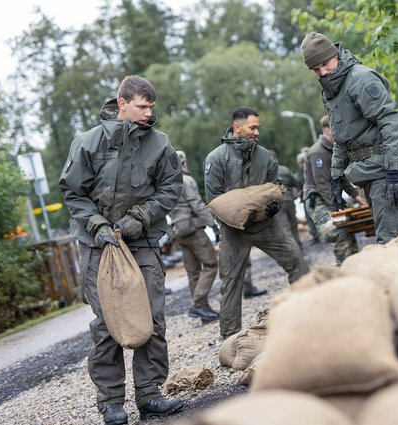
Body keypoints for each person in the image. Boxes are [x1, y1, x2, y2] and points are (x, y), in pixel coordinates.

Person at [59, 75, 184, 424]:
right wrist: (97, 225)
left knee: (153, 318)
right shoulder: (87, 142)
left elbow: (170, 188)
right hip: (97, 245)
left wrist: (141, 217)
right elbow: (72, 192)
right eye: (142, 106)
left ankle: (150, 394)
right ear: (122, 103)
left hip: (140, 241)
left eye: (151, 107)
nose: (148, 113)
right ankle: (111, 401)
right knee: (107, 323)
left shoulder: (160, 144)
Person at [204, 106, 309, 339]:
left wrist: (275, 206)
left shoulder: (265, 157)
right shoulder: (215, 159)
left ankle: (311, 313)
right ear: (237, 127)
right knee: (230, 282)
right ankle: (230, 337)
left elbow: (277, 187)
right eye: (253, 127)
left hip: (266, 225)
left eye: (258, 127)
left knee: (296, 260)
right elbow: (214, 200)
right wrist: (240, 213)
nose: (256, 132)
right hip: (233, 231)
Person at [300, 32, 398, 243]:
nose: (323, 72)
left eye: (325, 64)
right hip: (367, 172)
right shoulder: (332, 91)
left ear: (335, 54)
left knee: (394, 240)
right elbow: (341, 137)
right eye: (316, 69)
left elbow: (391, 120)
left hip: (384, 171)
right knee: (391, 239)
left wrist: (394, 171)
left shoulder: (359, 78)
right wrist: (335, 177)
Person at [304, 115, 367, 264]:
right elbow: (322, 185)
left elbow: (340, 177)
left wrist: (356, 195)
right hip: (318, 201)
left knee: (347, 230)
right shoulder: (317, 152)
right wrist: (337, 210)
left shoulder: (335, 150)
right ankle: (342, 272)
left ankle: (353, 267)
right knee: (339, 232)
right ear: (327, 130)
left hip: (329, 198)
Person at [169, 150, 219, 323]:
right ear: (184, 163)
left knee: (193, 272)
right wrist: (214, 224)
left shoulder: (165, 184)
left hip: (178, 232)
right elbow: (197, 205)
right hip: (192, 229)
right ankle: (198, 304)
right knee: (211, 264)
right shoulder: (186, 181)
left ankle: (203, 309)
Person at [269, 149, 303, 249]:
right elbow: (296, 182)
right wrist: (295, 193)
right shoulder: (285, 169)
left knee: (284, 227)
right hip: (289, 200)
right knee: (293, 225)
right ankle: (299, 246)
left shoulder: (267, 173)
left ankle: (292, 249)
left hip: (277, 203)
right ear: (277, 158)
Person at [295, 148, 321, 244]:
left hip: (308, 196)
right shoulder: (312, 167)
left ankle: (316, 236)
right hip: (315, 194)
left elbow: (299, 183)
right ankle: (321, 235)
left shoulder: (302, 171)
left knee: (311, 218)